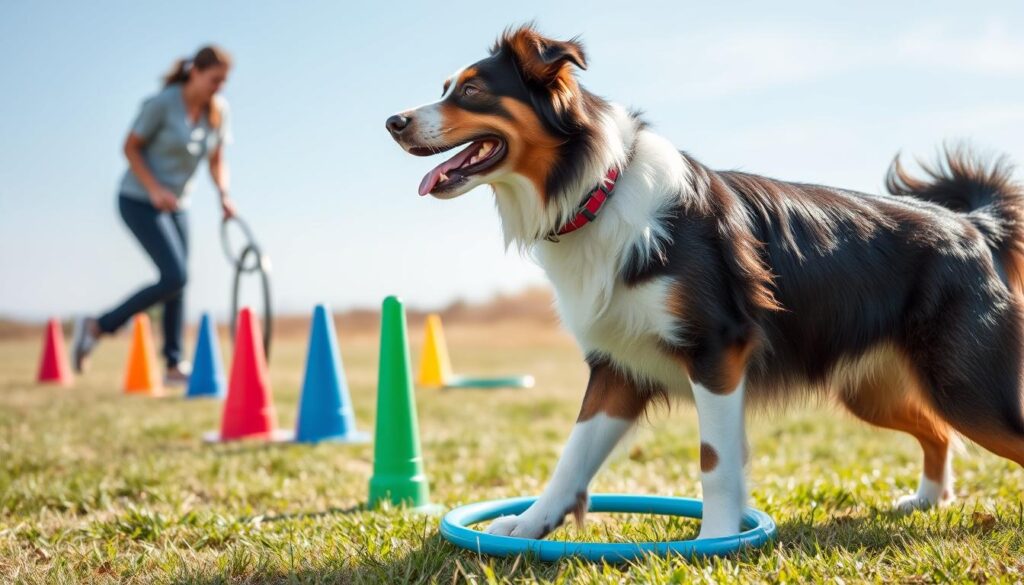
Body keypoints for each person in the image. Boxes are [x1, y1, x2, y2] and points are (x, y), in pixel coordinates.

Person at [73, 45, 236, 384]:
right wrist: (153, 189)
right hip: (138, 199)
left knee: (178, 283)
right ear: (195, 72)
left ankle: (174, 366)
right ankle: (98, 325)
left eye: (224, 81)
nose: (219, 87)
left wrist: (223, 193)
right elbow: (129, 147)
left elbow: (217, 159)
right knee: (174, 276)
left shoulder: (217, 112)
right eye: (214, 79)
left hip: (177, 205)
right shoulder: (163, 104)